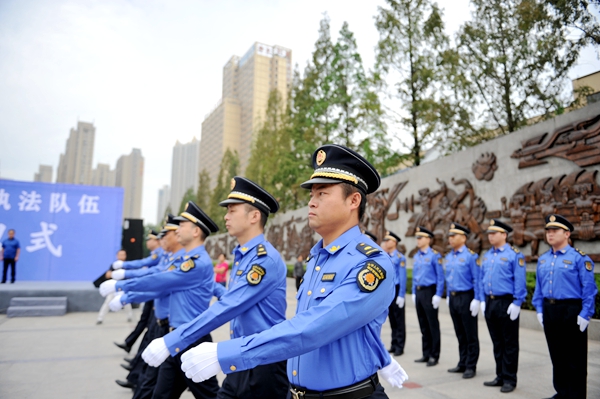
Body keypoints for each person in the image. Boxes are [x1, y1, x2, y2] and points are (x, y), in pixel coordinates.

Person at [175, 144, 409, 398]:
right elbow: (349, 325)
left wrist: (229, 353)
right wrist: (380, 356)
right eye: (311, 194)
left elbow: (316, 326)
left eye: (322, 193)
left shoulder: (371, 263)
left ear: (353, 200)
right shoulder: (319, 258)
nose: (312, 201)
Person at [142, 176, 289, 399]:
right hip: (239, 358)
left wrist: (172, 340)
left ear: (254, 216)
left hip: (263, 366)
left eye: (232, 210)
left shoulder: (263, 260)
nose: (226, 216)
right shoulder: (243, 256)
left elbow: (230, 305)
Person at [100, 201, 220, 399]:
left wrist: (122, 286)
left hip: (193, 339)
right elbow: (159, 281)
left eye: (182, 225)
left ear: (196, 231)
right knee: (160, 395)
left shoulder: (196, 263)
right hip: (177, 338)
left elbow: (161, 279)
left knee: (211, 396)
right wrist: (126, 294)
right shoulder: (185, 260)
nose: (177, 230)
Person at [532, 214, 597, 399]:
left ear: (567, 233)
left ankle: (576, 395)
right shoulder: (543, 259)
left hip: (571, 311)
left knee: (575, 359)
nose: (550, 234)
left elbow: (589, 289)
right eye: (548, 231)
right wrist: (539, 309)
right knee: (557, 355)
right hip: (550, 310)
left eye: (555, 231)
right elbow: (539, 288)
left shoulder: (579, 259)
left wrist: (586, 313)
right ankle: (562, 392)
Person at [480, 219, 526, 393]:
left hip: (506, 303)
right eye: (489, 233)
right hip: (490, 301)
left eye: (494, 233)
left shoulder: (514, 255)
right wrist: (482, 299)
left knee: (509, 342)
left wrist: (517, 302)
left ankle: (510, 378)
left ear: (504, 235)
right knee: (497, 342)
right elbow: (481, 278)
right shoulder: (488, 255)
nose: (490, 236)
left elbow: (519, 281)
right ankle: (500, 375)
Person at [444, 223, 481, 379]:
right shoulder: (448, 256)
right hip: (453, 297)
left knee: (470, 333)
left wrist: (477, 299)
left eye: (454, 236)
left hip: (466, 297)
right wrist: (447, 295)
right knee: (459, 332)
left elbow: (477, 279)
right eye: (450, 236)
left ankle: (471, 365)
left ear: (464, 237)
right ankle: (462, 362)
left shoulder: (471, 256)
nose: (450, 238)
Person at [412, 226, 444, 367]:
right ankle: (426, 353)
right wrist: (413, 291)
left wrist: (438, 295)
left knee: (432, 325)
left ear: (428, 239)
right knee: (423, 324)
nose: (418, 240)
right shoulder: (416, 256)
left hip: (429, 292)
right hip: (419, 292)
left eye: (420, 238)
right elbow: (414, 276)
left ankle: (434, 355)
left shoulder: (434, 255)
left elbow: (440, 278)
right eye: (417, 238)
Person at [381, 230, 406, 357]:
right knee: (392, 320)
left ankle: (400, 346)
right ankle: (394, 343)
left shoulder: (400, 258)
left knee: (399, 320)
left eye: (388, 240)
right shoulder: (386, 256)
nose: (385, 242)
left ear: (394, 242)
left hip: (396, 291)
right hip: (389, 291)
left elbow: (402, 278)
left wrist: (401, 295)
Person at [96, 249, 133, 324]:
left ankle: (130, 316)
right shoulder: (114, 265)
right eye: (120, 254)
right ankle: (100, 318)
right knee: (107, 302)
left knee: (126, 303)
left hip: (123, 287)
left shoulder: (128, 265)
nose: (122, 256)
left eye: (123, 254)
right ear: (117, 256)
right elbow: (108, 274)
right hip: (114, 287)